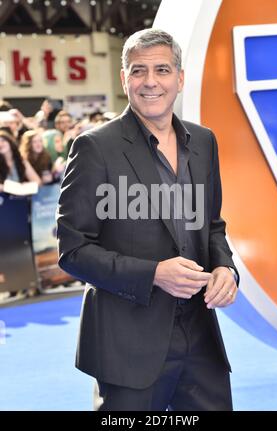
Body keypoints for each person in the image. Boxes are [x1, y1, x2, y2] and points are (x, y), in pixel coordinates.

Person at [56, 28, 239, 411]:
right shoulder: (94, 148)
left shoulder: (204, 142)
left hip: (201, 340)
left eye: (162, 70)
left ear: (180, 78)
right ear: (124, 79)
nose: (151, 82)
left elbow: (213, 225)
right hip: (127, 344)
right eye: (139, 71)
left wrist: (225, 267)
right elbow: (73, 251)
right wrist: (153, 273)